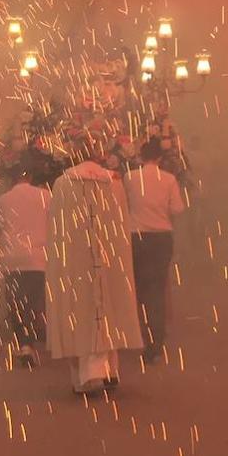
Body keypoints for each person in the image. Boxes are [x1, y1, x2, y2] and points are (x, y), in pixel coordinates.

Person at [46, 156, 142, 394]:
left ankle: (88, 376)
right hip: (108, 255)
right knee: (108, 306)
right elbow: (120, 224)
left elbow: (57, 227)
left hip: (75, 259)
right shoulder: (113, 183)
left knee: (80, 312)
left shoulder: (63, 184)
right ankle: (110, 370)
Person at [123, 137, 186, 362]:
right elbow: (177, 209)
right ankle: (156, 342)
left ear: (140, 157)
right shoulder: (168, 179)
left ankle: (141, 336)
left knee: (139, 289)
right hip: (161, 238)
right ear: (159, 158)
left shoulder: (129, 178)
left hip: (136, 237)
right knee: (157, 289)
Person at [0, 161, 49, 367]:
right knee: (35, 300)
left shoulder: (2, 200)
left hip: (12, 257)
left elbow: (1, 227)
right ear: (31, 177)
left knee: (16, 302)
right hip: (37, 257)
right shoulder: (45, 196)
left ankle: (24, 344)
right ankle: (34, 337)